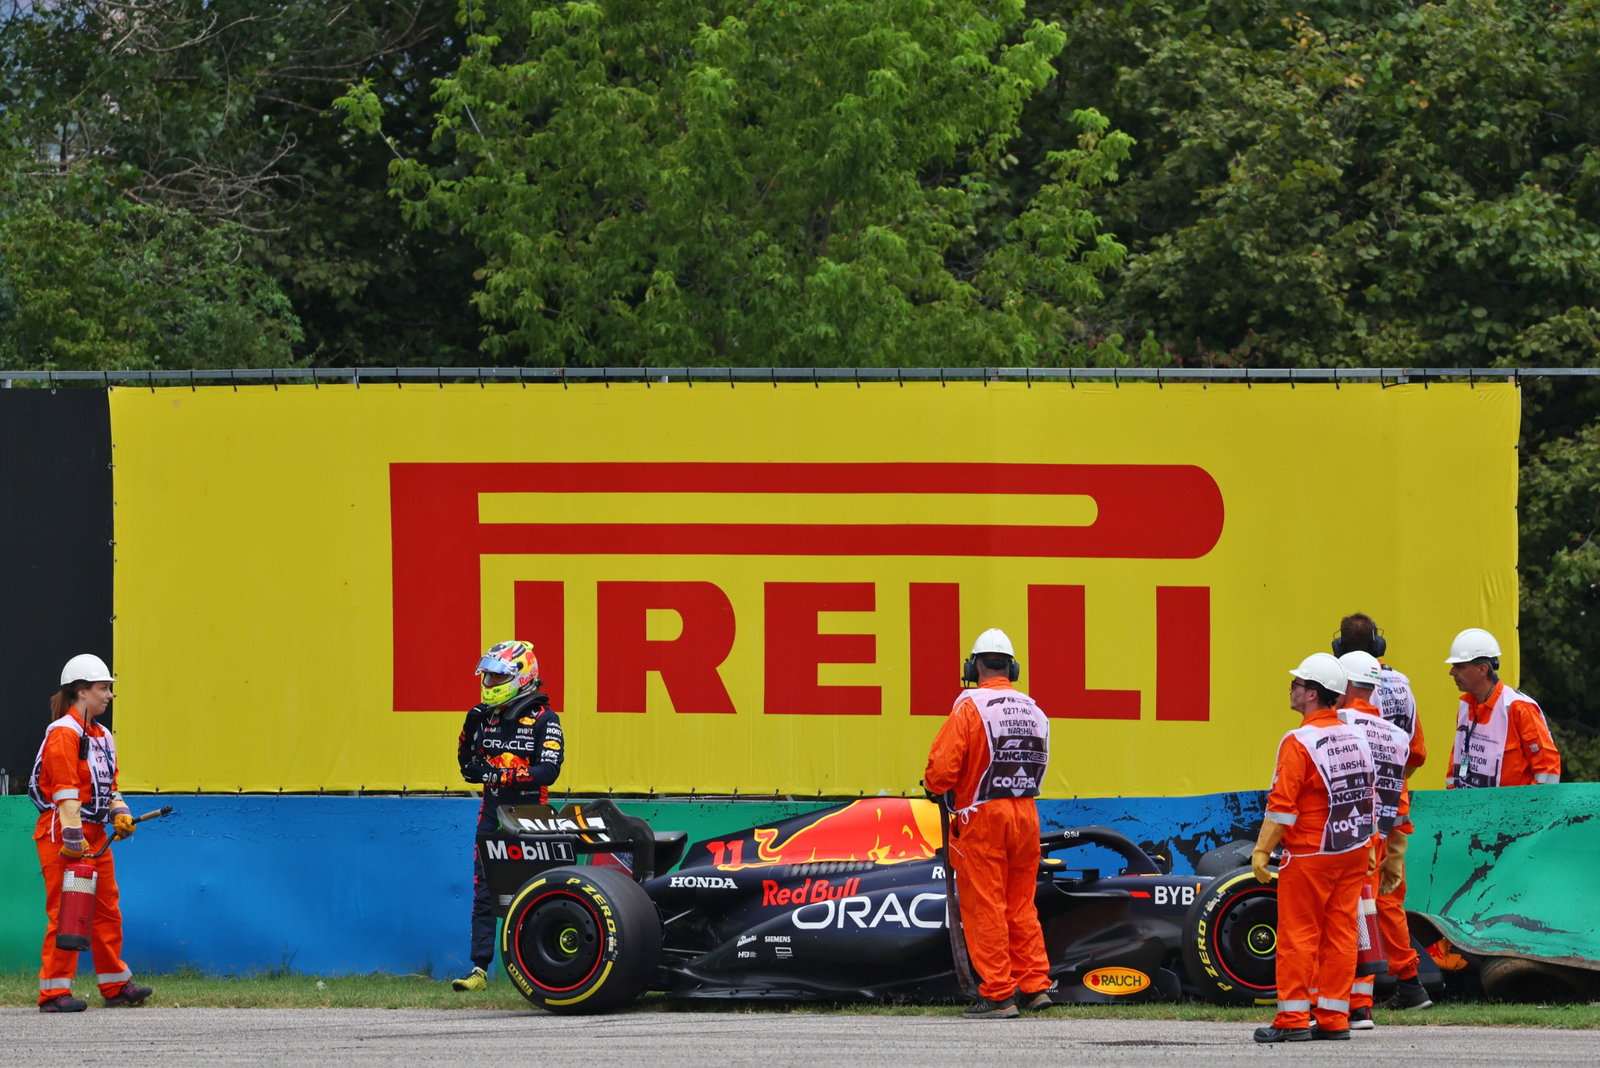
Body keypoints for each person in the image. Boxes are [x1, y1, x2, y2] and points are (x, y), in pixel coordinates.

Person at [923, 628, 1053, 1020]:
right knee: (1021, 905)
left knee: (985, 907)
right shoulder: (1034, 709)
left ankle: (998, 995)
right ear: (1012, 667)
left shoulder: (969, 707)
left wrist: (932, 786)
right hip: (1025, 814)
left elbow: (941, 773)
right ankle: (1034, 987)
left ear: (974, 665)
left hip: (982, 817)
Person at [1250, 653, 1374, 1044]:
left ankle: (1292, 1021)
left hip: (1310, 853)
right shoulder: (1357, 735)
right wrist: (1369, 842)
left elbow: (1282, 807)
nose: (1292, 689)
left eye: (1297, 684)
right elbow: (1369, 793)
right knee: (1340, 934)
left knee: (1298, 936)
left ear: (1313, 694)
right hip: (1351, 848)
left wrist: (1260, 851)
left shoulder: (1298, 741)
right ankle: (1335, 1018)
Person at [27, 654, 152, 1013]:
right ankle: (53, 994)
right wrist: (72, 838)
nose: (109, 695)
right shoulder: (62, 734)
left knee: (106, 911)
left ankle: (115, 985)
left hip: (95, 835)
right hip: (64, 835)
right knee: (68, 911)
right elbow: (65, 790)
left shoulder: (103, 736)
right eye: (104, 688)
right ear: (82, 692)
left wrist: (121, 815)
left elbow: (110, 786)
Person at [450, 640, 564, 991]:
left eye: (498, 677)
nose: (490, 684)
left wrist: (500, 775)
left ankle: (544, 969)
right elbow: (468, 768)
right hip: (493, 814)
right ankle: (479, 970)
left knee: (538, 892)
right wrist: (470, 733)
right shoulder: (484, 718)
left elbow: (548, 771)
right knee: (484, 891)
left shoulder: (546, 718)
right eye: (488, 676)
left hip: (533, 815)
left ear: (522, 677)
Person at [1333, 612, 1430, 1010]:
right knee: (1385, 898)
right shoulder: (1402, 687)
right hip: (1396, 806)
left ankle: (1356, 996)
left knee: (1353, 900)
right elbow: (1417, 752)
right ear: (1378, 647)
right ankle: (1406, 984)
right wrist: (1392, 779)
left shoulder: (1336, 694)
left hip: (1351, 810)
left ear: (1339, 650)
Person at [1444, 628, 1560, 789]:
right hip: (1471, 811)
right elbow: (1457, 759)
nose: (1452, 672)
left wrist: (1530, 810)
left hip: (1514, 812)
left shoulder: (1519, 708)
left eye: (1459, 666)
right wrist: (1452, 800)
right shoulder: (1466, 706)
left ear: (1482, 669)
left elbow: (1548, 770)